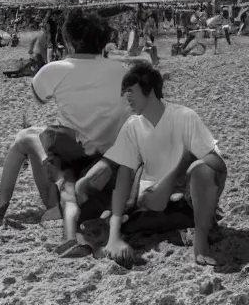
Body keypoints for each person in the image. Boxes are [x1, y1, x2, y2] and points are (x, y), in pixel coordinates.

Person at [0, 9, 130, 242]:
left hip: (71, 167)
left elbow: (39, 97)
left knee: (24, 138)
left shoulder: (57, 69)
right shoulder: (120, 71)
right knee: (41, 135)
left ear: (68, 40)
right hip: (107, 171)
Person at [90, 62, 228, 267]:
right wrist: (114, 237)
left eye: (131, 91)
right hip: (152, 200)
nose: (126, 97)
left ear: (151, 91)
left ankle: (200, 243)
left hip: (186, 193)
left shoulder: (183, 117)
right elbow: (124, 175)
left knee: (201, 170)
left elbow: (218, 164)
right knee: (140, 200)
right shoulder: (133, 126)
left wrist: (177, 172)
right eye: (125, 91)